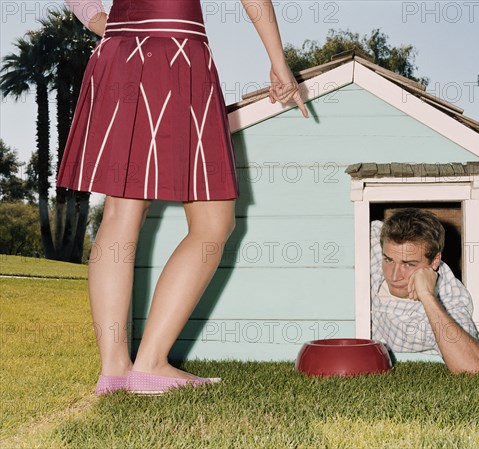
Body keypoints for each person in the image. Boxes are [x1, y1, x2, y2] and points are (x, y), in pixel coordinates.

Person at [58, 0, 309, 395]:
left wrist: (98, 19)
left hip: (120, 52)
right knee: (213, 223)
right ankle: (151, 364)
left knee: (121, 214)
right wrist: (279, 62)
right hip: (177, 52)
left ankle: (114, 370)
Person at [370, 208, 479, 373]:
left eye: (408, 264)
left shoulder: (449, 297)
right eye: (388, 260)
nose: (394, 275)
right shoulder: (375, 247)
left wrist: (427, 296)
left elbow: (473, 367)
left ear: (434, 262)